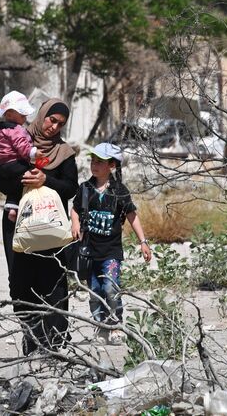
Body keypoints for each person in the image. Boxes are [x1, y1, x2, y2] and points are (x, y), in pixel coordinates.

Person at [0, 98, 78, 355]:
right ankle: (31, 341)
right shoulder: (17, 140)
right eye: (51, 120)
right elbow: (0, 180)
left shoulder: (64, 153)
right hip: (18, 224)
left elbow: (70, 187)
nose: (53, 127)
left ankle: (55, 344)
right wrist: (23, 179)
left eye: (60, 124)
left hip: (50, 228)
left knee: (53, 283)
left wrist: (45, 179)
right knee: (19, 282)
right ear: (42, 116)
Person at [70, 143, 152, 345]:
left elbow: (132, 216)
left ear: (112, 165)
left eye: (100, 162)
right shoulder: (85, 189)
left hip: (111, 252)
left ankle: (116, 325)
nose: (94, 165)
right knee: (94, 292)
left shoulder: (119, 191)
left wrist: (143, 242)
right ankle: (100, 328)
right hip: (88, 252)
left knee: (111, 288)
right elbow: (74, 208)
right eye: (93, 161)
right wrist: (75, 223)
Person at [0, 90, 37, 223]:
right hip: (15, 165)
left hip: (2, 167)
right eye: (22, 114)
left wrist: (0, 160)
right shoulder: (16, 130)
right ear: (9, 114)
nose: (25, 118)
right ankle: (24, 208)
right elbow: (22, 147)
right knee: (28, 177)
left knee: (14, 186)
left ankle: (11, 208)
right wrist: (33, 152)